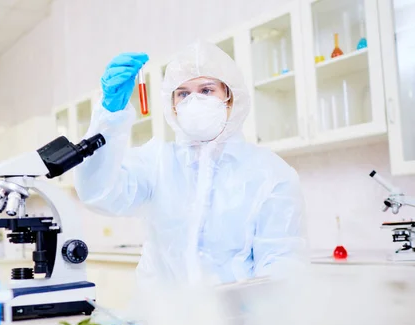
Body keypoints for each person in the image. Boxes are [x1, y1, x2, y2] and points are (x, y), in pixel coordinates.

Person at [74, 42, 306, 286]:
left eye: (206, 90)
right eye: (183, 94)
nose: (194, 101)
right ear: (172, 105)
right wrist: (109, 118)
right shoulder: (157, 163)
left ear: (230, 98)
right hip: (163, 319)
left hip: (239, 319)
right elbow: (99, 192)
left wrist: (245, 315)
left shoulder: (270, 173)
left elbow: (282, 264)